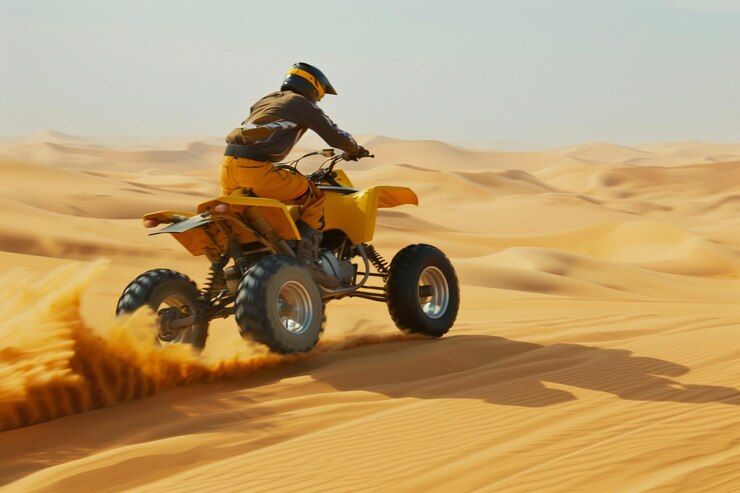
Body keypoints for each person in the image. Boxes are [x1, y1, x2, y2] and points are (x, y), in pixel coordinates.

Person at [220, 62, 369, 288]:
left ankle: (241, 267)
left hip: (227, 167)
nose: (319, 100)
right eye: (320, 95)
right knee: (314, 196)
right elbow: (334, 133)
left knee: (244, 216)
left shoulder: (266, 100)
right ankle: (308, 261)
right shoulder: (301, 103)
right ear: (314, 87)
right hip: (256, 170)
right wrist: (355, 149)